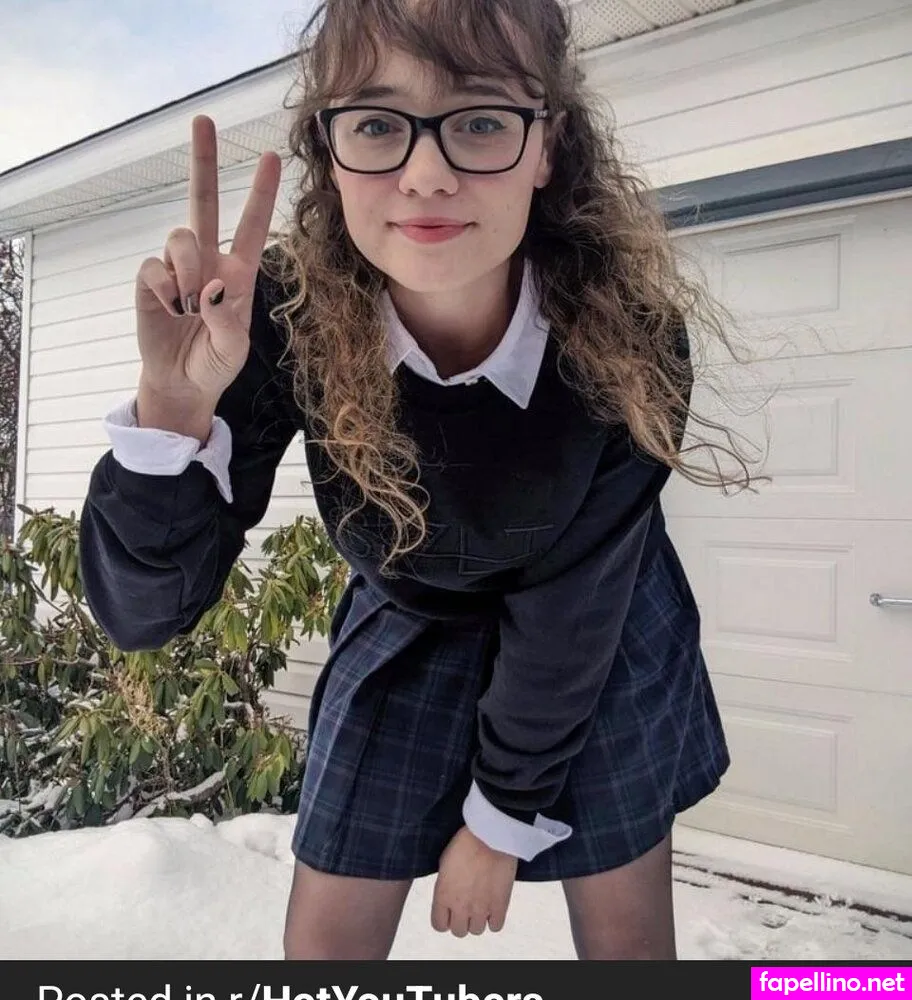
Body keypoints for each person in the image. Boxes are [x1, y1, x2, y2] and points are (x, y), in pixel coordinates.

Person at [79, 0, 755, 961]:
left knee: (629, 947)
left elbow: (571, 605)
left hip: (596, 630)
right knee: (325, 951)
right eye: (376, 124)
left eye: (479, 119)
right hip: (408, 616)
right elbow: (141, 617)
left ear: (547, 146)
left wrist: (500, 820)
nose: (426, 174)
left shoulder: (626, 337)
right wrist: (172, 411)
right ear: (329, 149)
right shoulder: (271, 320)